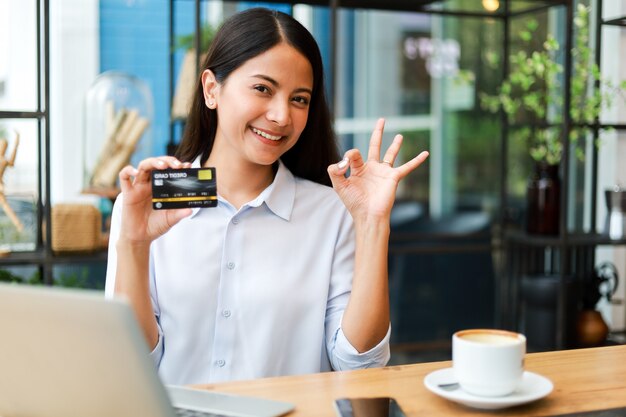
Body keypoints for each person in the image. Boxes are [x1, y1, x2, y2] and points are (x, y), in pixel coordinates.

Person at [105, 7, 428, 385]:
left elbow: (360, 367)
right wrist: (133, 243)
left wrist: (373, 225)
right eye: (263, 88)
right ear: (212, 89)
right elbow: (130, 365)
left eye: (300, 99)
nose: (281, 116)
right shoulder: (149, 203)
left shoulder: (331, 212)